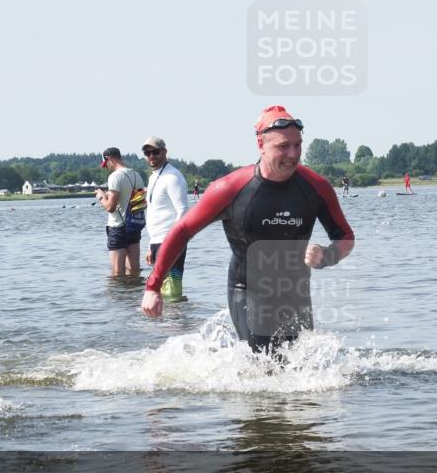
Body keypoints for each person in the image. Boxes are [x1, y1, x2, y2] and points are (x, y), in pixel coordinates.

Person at [141, 105, 355, 354]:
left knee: (302, 366)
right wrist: (153, 287)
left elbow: (345, 237)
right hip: (246, 290)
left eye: (298, 145)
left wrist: (327, 255)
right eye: (283, 146)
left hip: (296, 293)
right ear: (261, 145)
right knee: (264, 362)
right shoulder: (230, 189)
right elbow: (181, 232)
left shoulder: (316, 186)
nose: (293, 154)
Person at [142, 137, 190, 302]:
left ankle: (178, 318)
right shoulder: (153, 177)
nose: (151, 156)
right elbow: (155, 212)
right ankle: (165, 320)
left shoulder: (173, 177)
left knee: (171, 294)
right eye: (147, 153)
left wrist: (173, 241)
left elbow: (183, 211)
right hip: (157, 241)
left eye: (155, 152)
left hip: (171, 241)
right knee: (159, 293)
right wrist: (150, 245)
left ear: (164, 152)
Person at [96, 147, 145, 276]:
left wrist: (101, 197)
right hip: (134, 226)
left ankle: (119, 290)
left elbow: (110, 208)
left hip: (118, 228)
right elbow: (138, 202)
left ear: (109, 159)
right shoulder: (137, 175)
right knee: (134, 270)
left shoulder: (115, 176)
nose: (107, 167)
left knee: (117, 273)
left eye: (106, 164)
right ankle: (135, 289)